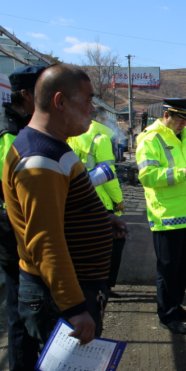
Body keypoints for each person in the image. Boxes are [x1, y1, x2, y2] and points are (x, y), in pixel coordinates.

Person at [3, 64, 128, 371]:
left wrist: (102, 218)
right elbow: (46, 241)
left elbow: (63, 211)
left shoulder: (53, 145)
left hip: (73, 288)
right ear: (60, 101)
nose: (92, 110)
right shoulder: (40, 159)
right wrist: (74, 308)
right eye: (87, 101)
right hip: (61, 297)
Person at [0, 65, 46, 371]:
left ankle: (35, 370)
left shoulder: (21, 128)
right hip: (14, 240)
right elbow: (25, 192)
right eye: (41, 92)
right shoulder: (6, 135)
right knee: (21, 313)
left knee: (32, 308)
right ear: (25, 95)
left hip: (23, 237)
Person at [136, 99, 186, 335]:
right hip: (166, 215)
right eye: (179, 118)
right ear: (166, 115)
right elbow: (147, 176)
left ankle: (176, 306)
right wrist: (181, 174)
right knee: (168, 269)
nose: (183, 123)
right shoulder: (151, 139)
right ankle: (167, 315)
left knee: (182, 267)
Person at [68, 110, 126, 300]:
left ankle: (87, 287)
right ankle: (104, 287)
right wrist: (118, 199)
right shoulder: (100, 140)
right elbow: (109, 175)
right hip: (101, 201)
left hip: (79, 198)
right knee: (113, 244)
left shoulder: (72, 136)